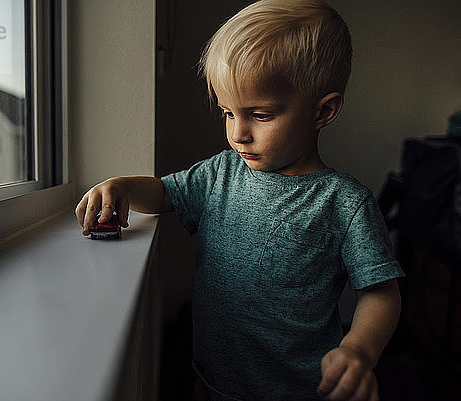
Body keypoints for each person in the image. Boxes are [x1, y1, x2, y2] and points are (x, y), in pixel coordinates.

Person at [75, 1, 404, 399]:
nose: (238, 133)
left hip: (302, 389)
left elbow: (380, 292)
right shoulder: (221, 173)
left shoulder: (345, 203)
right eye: (228, 113)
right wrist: (122, 186)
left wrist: (357, 350)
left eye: (260, 115)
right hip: (214, 381)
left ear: (324, 111)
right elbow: (163, 193)